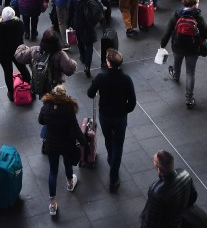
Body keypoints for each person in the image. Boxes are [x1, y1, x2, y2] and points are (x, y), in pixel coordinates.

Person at [87, 49, 136, 193]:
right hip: (120, 117)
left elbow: (90, 94)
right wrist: (124, 110)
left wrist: (95, 84)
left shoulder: (101, 77)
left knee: (108, 139)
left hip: (105, 116)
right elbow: (132, 102)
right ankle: (113, 178)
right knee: (118, 145)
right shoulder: (126, 79)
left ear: (108, 63)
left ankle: (110, 157)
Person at [39, 84, 87, 217]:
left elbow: (41, 121)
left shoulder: (46, 106)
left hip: (52, 144)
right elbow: (76, 128)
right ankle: (70, 183)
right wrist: (84, 142)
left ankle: (53, 204)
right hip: (66, 143)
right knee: (67, 163)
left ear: (53, 94)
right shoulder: (68, 109)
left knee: (53, 172)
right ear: (64, 95)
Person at [161, 0, 207, 108]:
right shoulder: (198, 17)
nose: (199, 4)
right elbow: (205, 34)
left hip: (177, 46)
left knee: (177, 62)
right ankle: (189, 99)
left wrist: (162, 45)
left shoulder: (176, 14)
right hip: (193, 49)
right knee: (190, 73)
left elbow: (168, 31)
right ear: (193, 5)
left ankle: (176, 76)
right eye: (197, 2)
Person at [139, 150, 196, 228]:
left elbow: (150, 222)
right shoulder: (185, 174)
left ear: (158, 169)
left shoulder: (156, 191)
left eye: (154, 160)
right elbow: (193, 198)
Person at [15, 29, 78, 97]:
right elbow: (69, 70)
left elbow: (19, 56)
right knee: (56, 101)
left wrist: (23, 46)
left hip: (40, 84)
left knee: (45, 100)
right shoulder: (60, 54)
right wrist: (73, 63)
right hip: (55, 86)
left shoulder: (34, 50)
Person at [0, 7, 31, 102]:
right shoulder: (19, 24)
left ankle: (11, 92)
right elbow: (21, 33)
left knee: (7, 72)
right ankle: (29, 86)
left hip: (3, 53)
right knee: (22, 68)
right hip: (16, 50)